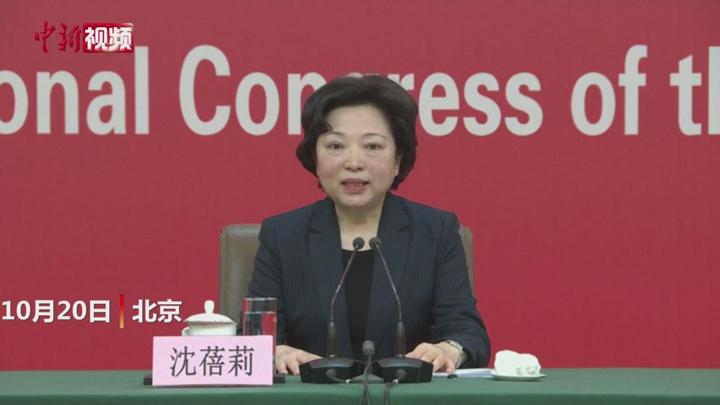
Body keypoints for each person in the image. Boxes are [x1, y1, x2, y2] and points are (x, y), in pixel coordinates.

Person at [247, 75, 490, 375]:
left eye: (372, 146)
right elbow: (252, 338)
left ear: (398, 159)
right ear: (315, 158)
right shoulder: (283, 235)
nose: (354, 162)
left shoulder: (435, 231)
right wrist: (272, 352)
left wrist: (449, 349)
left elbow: (468, 333)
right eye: (336, 146)